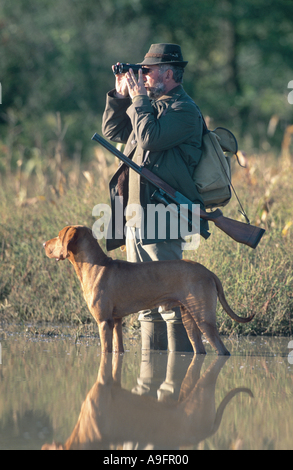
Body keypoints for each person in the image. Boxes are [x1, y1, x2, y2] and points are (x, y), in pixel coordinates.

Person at [102, 43, 207, 352]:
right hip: (136, 213)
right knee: (143, 302)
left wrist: (138, 99)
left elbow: (149, 137)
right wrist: (121, 95)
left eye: (147, 71)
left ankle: (179, 378)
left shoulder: (183, 110)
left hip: (165, 214)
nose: (142, 76)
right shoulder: (148, 106)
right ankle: (152, 380)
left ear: (169, 73)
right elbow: (112, 130)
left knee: (173, 301)